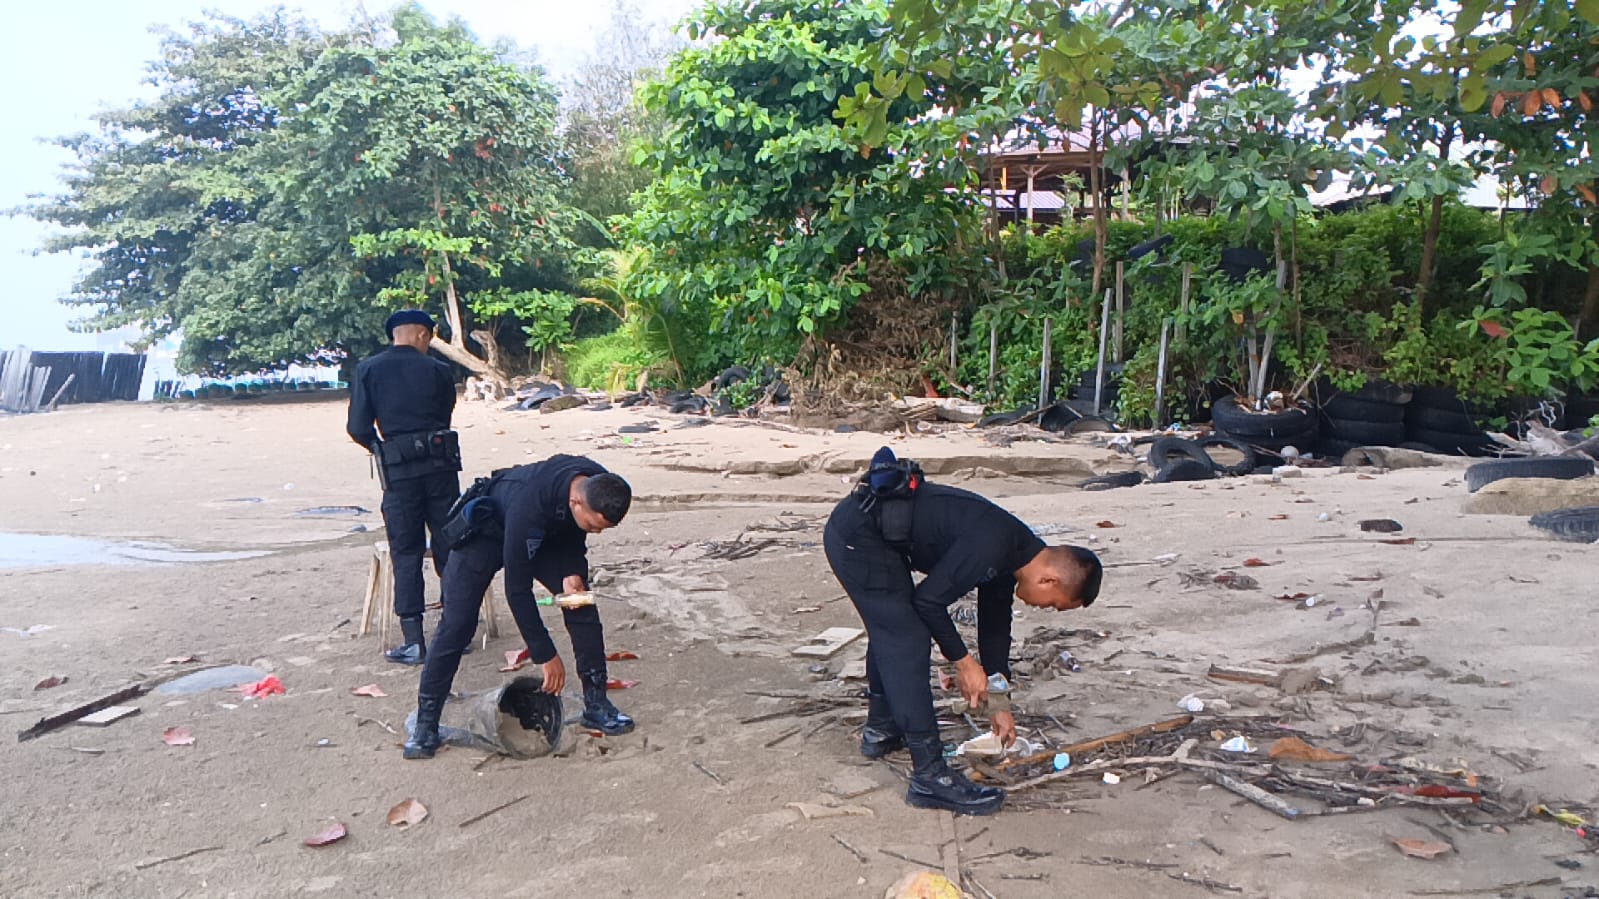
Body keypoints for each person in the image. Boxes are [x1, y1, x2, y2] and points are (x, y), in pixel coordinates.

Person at [822, 448, 1102, 816]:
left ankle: (883, 728)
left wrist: (998, 703)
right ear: (1049, 580)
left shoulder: (1013, 554)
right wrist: (964, 662)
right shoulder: (992, 544)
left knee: (895, 626)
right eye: (1053, 604)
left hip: (877, 541)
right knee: (906, 637)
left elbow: (995, 628)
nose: (1043, 608)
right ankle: (929, 776)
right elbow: (928, 602)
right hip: (856, 538)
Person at [402, 454, 636, 760]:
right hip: (488, 531)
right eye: (594, 525)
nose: (598, 531)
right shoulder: (532, 502)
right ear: (576, 502)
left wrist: (573, 572)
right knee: (457, 625)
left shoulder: (598, 484)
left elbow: (575, 537)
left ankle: (597, 704)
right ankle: (426, 723)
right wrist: (545, 654)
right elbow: (517, 589)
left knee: (581, 605)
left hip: (543, 538)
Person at [346, 309, 462, 666]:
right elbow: (445, 414)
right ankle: (455, 631)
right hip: (441, 467)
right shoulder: (440, 371)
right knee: (451, 545)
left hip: (399, 472)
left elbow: (358, 426)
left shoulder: (368, 369)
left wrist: (382, 448)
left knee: (406, 552)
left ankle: (415, 640)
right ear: (423, 336)